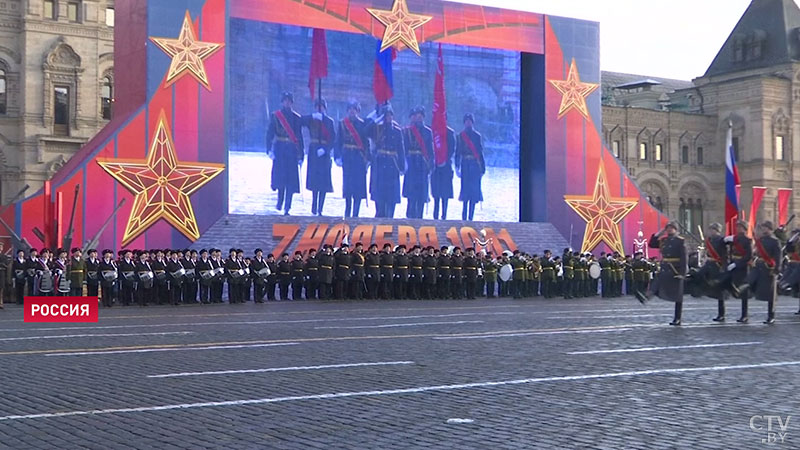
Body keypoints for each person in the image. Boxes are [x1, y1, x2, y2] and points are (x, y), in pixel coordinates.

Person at [636, 222, 687, 326]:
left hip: (675, 269)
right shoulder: (664, 240)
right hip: (665, 268)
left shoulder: (680, 241)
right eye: (668, 228)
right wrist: (660, 233)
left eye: (672, 228)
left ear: (676, 230)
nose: (669, 230)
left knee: (678, 295)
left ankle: (677, 318)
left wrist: (682, 273)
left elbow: (684, 258)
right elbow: (651, 244)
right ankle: (646, 297)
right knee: (656, 283)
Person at [266, 92, 304, 215]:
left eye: (289, 101)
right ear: (282, 102)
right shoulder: (276, 116)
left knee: (291, 180)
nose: (287, 103)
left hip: (292, 150)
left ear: (291, 103)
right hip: (280, 149)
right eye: (285, 101)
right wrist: (269, 149)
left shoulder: (296, 117)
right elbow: (270, 133)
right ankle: (280, 201)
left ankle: (288, 206)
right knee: (280, 178)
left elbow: (299, 136)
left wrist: (301, 154)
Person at [738, 221, 782, 324]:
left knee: (770, 293)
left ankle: (771, 316)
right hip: (758, 266)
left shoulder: (775, 241)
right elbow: (756, 252)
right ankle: (745, 313)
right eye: (762, 228)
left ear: (770, 229)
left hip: (769, 268)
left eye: (765, 228)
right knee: (747, 282)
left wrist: (777, 269)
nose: (763, 230)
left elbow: (778, 257)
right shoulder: (760, 240)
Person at [367, 105, 405, 218]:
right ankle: (380, 214)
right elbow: (366, 131)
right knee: (379, 193)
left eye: (390, 115)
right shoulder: (377, 128)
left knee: (391, 195)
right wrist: (375, 121)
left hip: (392, 165)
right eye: (386, 115)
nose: (388, 118)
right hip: (380, 164)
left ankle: (390, 217)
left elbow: (400, 149)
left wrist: (402, 165)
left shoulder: (397, 131)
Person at [336, 101, 369, 218]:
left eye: (354, 109)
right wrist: (337, 156)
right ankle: (347, 210)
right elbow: (338, 141)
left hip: (358, 158)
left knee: (358, 186)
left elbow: (366, 143)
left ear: (358, 111)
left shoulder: (362, 124)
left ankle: (356, 212)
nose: (352, 111)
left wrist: (367, 159)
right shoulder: (342, 124)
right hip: (347, 158)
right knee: (348, 186)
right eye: (350, 109)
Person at [302, 98, 335, 216]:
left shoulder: (329, 121)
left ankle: (320, 207)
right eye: (317, 107)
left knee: (323, 182)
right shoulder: (312, 119)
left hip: (324, 153)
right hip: (314, 150)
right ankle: (314, 205)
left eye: (321, 107)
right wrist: (312, 116)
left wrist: (325, 149)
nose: (319, 109)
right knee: (314, 181)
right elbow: (301, 121)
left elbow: (333, 139)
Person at [402, 106, 433, 219]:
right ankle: (409, 218)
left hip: (422, 165)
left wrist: (430, 165)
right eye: (416, 116)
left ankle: (419, 219)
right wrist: (403, 162)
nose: (418, 118)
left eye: (420, 116)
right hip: (411, 164)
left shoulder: (428, 132)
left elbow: (430, 150)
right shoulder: (408, 131)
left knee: (421, 196)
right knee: (411, 195)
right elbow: (404, 148)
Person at [695, 223, 728, 322]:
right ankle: (701, 291)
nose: (711, 231)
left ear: (717, 230)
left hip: (717, 265)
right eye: (710, 229)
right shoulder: (709, 240)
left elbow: (724, 255)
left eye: (713, 229)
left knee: (720, 291)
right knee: (698, 274)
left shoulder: (721, 240)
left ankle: (721, 314)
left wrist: (724, 267)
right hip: (709, 263)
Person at [456, 113, 485, 221]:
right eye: (467, 121)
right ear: (464, 123)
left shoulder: (477, 136)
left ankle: (470, 217)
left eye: (470, 121)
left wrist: (482, 167)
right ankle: (464, 217)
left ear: (472, 123)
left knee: (473, 193)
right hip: (465, 165)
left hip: (474, 166)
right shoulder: (460, 136)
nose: (468, 123)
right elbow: (457, 152)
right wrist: (457, 166)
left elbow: (480, 152)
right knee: (465, 192)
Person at [432, 126, 456, 220]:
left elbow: (452, 149)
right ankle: (435, 215)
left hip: (446, 166)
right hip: (436, 166)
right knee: (436, 193)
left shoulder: (450, 133)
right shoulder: (433, 132)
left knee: (445, 194)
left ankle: (444, 215)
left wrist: (444, 159)